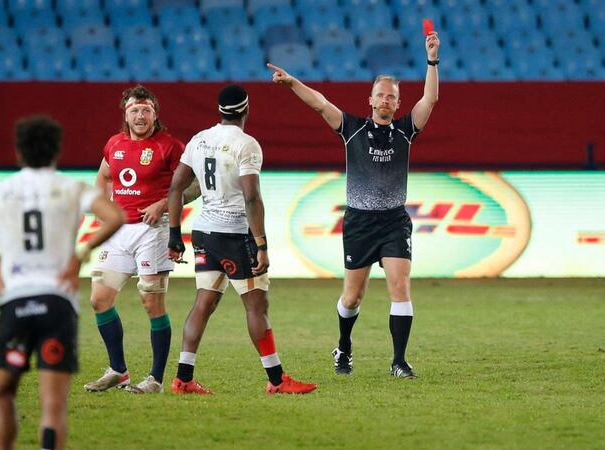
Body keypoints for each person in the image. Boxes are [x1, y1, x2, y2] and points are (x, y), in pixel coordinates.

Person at [0, 115, 125, 450]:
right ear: (57, 151)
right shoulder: (72, 188)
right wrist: (80, 253)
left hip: (16, 303)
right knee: (53, 405)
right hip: (58, 303)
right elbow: (115, 216)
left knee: (3, 392)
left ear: (18, 152)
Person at [267, 31, 440, 378]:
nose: (387, 100)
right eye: (381, 95)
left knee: (400, 287)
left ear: (397, 103)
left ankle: (399, 361)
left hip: (394, 222)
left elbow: (430, 100)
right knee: (352, 298)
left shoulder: (407, 130)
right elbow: (320, 103)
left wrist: (432, 60)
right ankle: (344, 347)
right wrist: (292, 83)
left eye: (393, 96)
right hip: (359, 222)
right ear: (371, 100)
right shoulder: (353, 129)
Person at [167, 84, 317, 395]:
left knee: (204, 301)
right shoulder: (246, 145)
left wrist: (173, 233)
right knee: (256, 304)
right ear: (247, 110)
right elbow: (251, 198)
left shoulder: (199, 139)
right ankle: (277, 380)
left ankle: (183, 377)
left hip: (204, 232)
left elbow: (176, 188)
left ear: (219, 111)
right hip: (234, 234)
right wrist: (261, 243)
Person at [83, 85, 199, 394]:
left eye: (146, 109)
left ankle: (155, 380)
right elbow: (105, 175)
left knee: (151, 302)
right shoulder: (114, 144)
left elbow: (195, 186)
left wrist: (162, 204)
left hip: (154, 230)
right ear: (125, 114)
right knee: (99, 299)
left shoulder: (170, 146)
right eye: (134, 109)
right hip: (118, 230)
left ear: (155, 114)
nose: (140, 115)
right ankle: (118, 370)